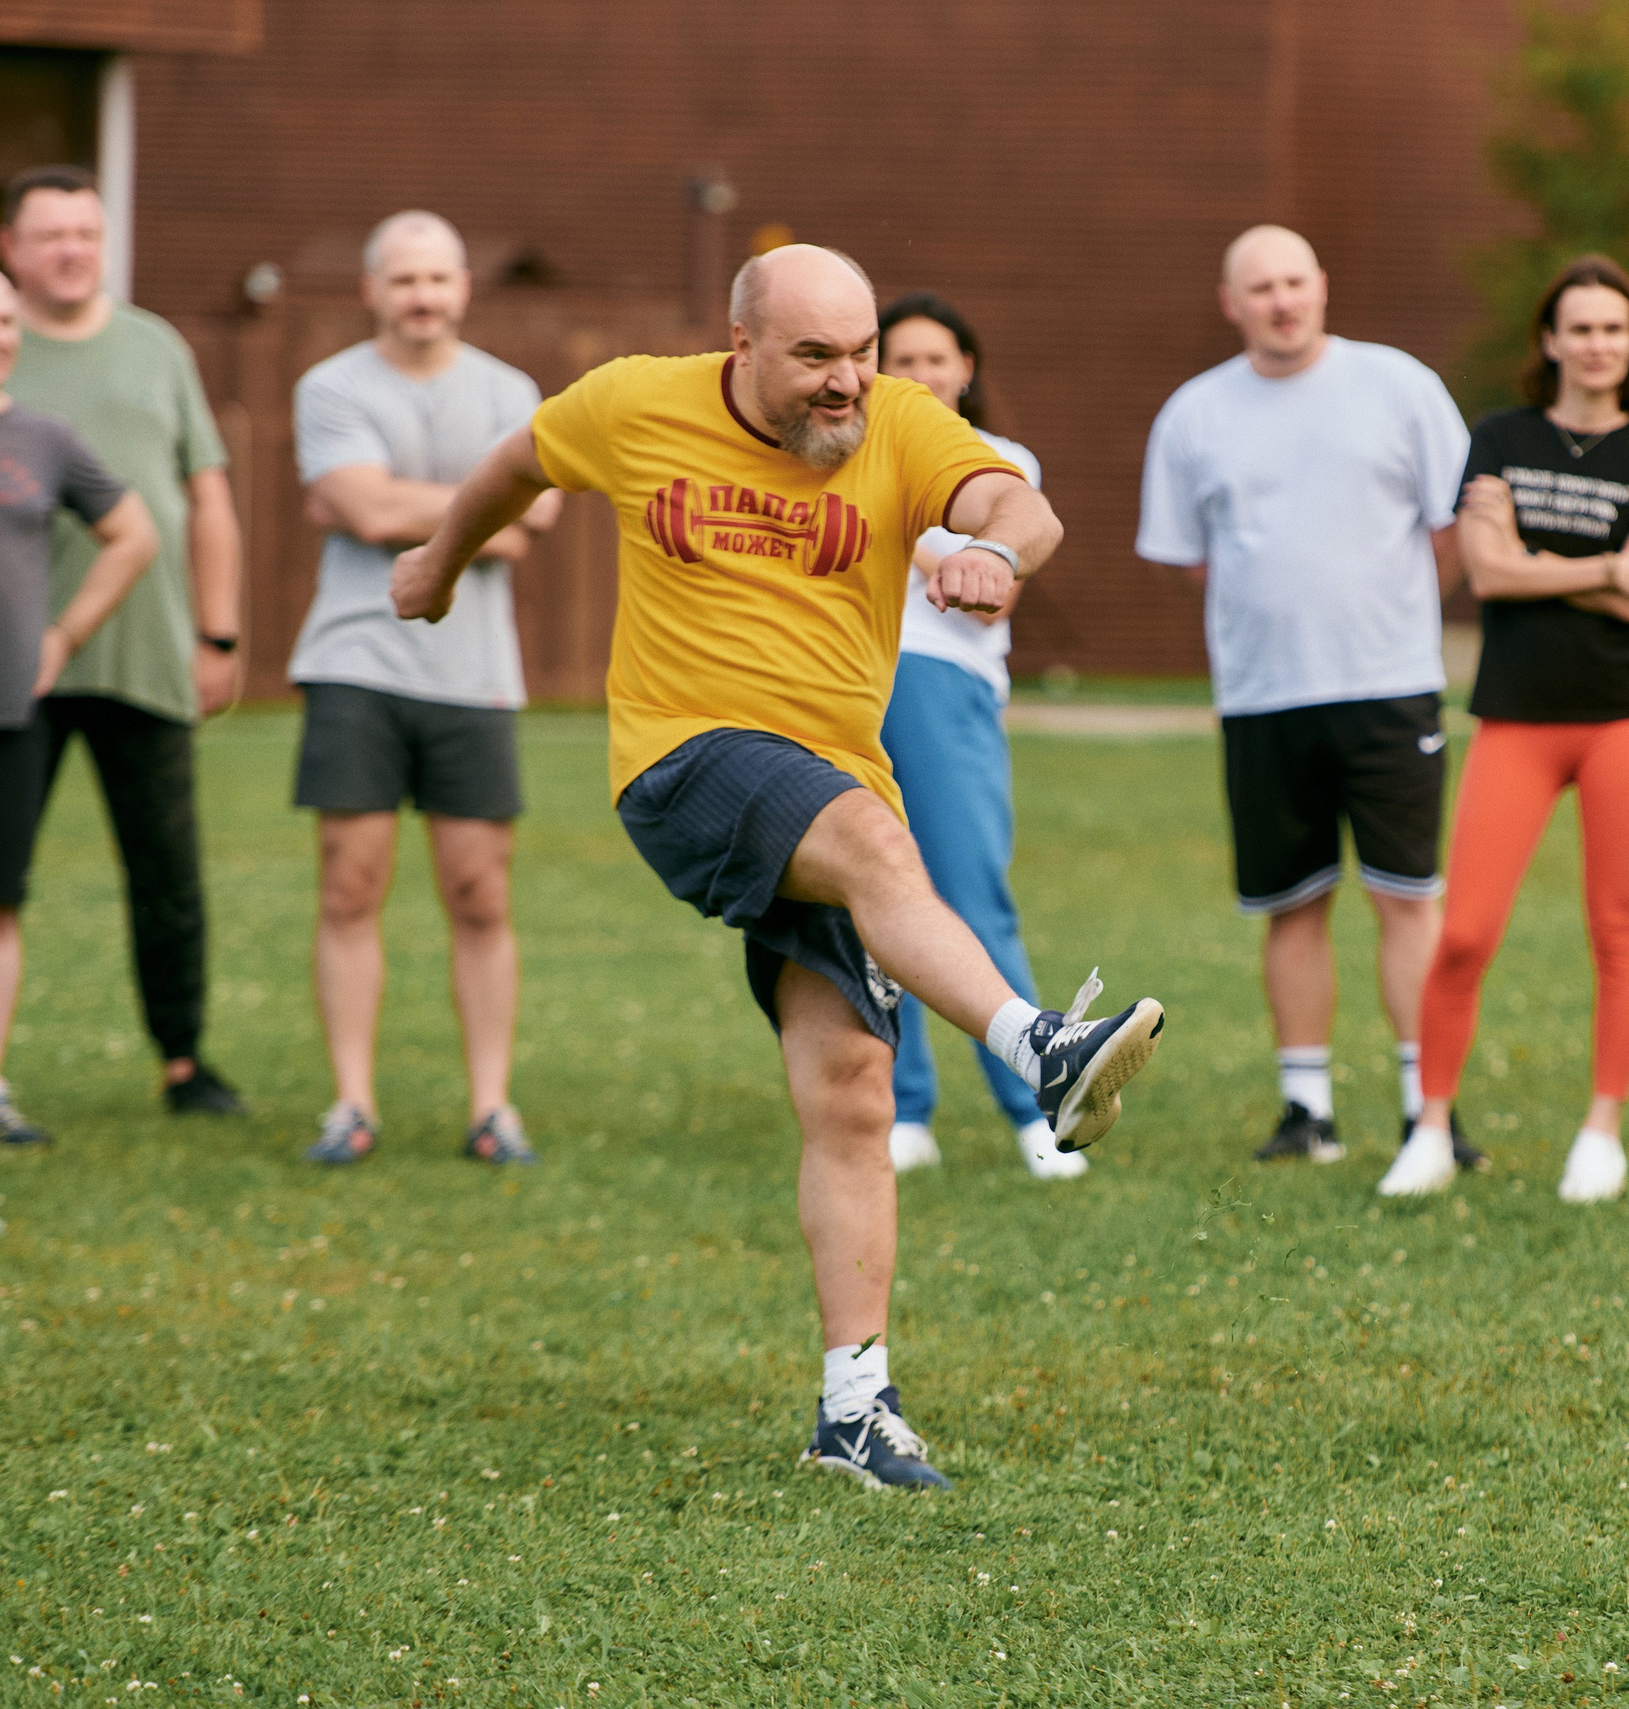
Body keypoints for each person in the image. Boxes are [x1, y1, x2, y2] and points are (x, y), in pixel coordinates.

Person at [390, 245, 1164, 1488]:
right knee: (872, 838)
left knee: (854, 1082)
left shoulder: (899, 422)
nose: (845, 381)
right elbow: (518, 461)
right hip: (684, 761)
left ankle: (853, 1406)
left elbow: (1025, 505)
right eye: (814, 357)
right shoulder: (637, 403)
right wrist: (437, 562)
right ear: (737, 342)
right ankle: (1039, 1048)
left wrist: (997, 557)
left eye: (858, 351)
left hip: (830, 778)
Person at [1137, 224, 1478, 1167]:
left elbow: (1454, 525)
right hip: (1263, 699)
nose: (1281, 301)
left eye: (1295, 282)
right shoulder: (1194, 414)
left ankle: (1427, 1108)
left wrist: (1388, 616)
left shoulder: (1399, 386)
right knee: (1293, 903)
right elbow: (1185, 560)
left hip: (1390, 687)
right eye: (1260, 288)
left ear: (1322, 287)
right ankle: (1306, 1110)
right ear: (1231, 303)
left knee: (1407, 897)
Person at [1380, 256, 1629, 1204]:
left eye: (1614, 328)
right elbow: (1489, 575)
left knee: (1618, 927)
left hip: (1626, 721)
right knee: (1465, 932)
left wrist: (1533, 554)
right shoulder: (1501, 436)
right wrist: (1601, 567)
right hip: (1514, 718)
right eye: (1580, 327)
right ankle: (1429, 1126)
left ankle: (1602, 1131)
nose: (1598, 344)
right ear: (1549, 341)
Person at [288, 211, 564, 1167]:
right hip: (354, 666)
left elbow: (542, 515)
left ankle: (493, 1108)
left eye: (438, 279)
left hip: (474, 675)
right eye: (403, 280)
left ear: (463, 288)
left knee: (481, 894)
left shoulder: (510, 390)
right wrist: (486, 508)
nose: (422, 297)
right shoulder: (329, 387)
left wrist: (389, 500)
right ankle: (349, 1105)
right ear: (372, 290)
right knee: (349, 886)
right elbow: (360, 510)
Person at [0, 165, 248, 1117]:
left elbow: (206, 496)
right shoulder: (4, 351)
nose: (72, 251)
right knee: (1, 875)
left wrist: (217, 634)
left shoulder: (155, 348)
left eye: (87, 234)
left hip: (143, 652)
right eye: (51, 234)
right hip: (14, 663)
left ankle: (183, 1058)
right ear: (10, 249)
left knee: (166, 867)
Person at [873, 291, 1083, 1180]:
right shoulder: (853, 457)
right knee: (876, 895)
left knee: (965, 888)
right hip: (855, 681)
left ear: (967, 370)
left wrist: (909, 539)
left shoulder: (998, 466)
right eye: (903, 360)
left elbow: (989, 587)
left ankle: (1034, 1104)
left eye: (936, 359)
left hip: (940, 684)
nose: (920, 375)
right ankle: (904, 1104)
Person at [0, 269, 162, 1146]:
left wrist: (60, 638)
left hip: (10, 714)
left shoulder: (44, 440)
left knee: (0, 901)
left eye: (4, 320)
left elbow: (134, 534)